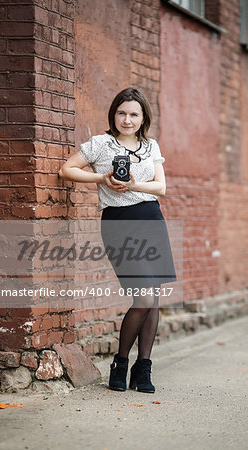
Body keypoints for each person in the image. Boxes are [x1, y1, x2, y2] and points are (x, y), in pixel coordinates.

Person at [59, 87, 176, 394]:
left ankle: (143, 368)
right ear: (113, 114)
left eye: (134, 114)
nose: (127, 119)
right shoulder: (100, 144)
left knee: (153, 297)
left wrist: (136, 183)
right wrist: (102, 178)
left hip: (151, 220)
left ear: (143, 117)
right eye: (122, 113)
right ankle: (121, 362)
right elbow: (66, 170)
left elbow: (162, 188)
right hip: (119, 222)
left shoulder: (150, 145)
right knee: (145, 298)